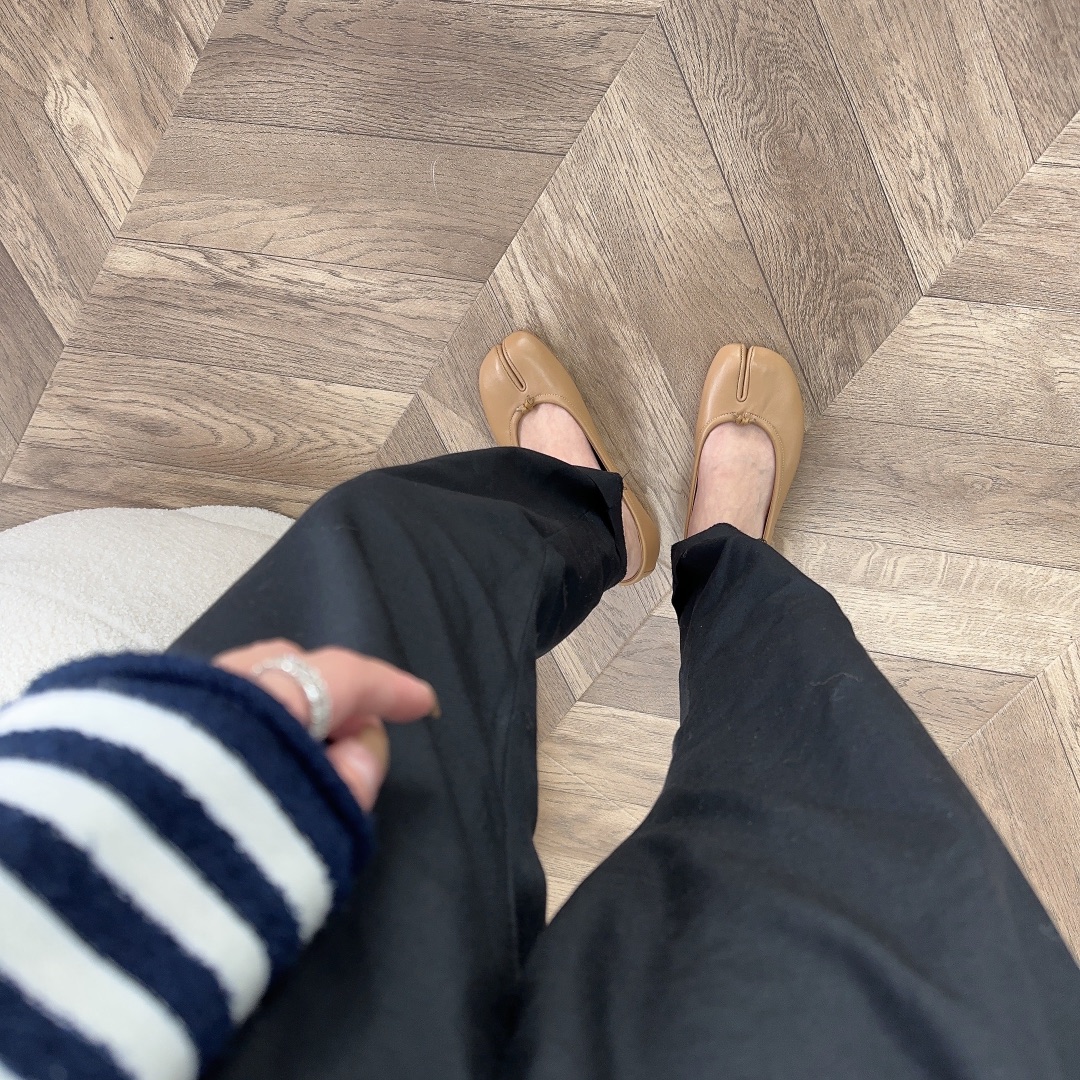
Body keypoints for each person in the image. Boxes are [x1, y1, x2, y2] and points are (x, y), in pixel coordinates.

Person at [0, 331, 1077, 1080]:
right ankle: (728, 560)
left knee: (392, 566)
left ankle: (590, 523)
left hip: (184, 1000)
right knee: (834, 829)